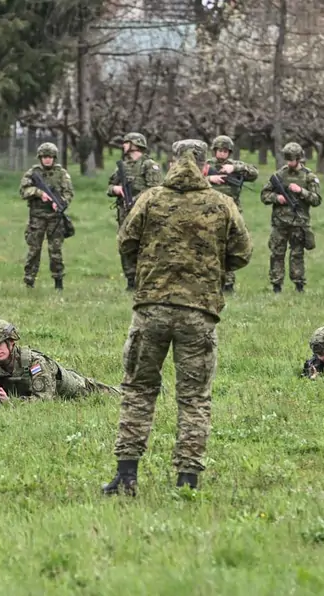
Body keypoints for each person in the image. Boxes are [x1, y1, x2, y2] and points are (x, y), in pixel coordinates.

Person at [102, 139, 252, 495]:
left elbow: (125, 242)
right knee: (194, 397)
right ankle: (187, 480)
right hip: (199, 312)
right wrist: (211, 266)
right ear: (205, 167)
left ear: (172, 163)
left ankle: (126, 476)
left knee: (138, 390)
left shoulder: (150, 199)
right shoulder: (222, 203)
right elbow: (242, 253)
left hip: (151, 309)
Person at [0, 319, 119, 404]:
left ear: (11, 342)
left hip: (80, 389)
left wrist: (11, 403)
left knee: (121, 394)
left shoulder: (35, 362)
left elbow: (43, 400)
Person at [259, 142, 321, 293]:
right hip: (279, 223)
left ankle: (299, 285)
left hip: (299, 223)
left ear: (299, 158)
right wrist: (277, 198)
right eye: (287, 159)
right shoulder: (279, 175)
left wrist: (301, 191)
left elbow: (316, 200)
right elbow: (264, 195)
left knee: (297, 255)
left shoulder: (309, 176)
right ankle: (276, 285)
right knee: (277, 254)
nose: (289, 162)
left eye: (292, 159)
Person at [106, 132, 162, 291]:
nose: (123, 145)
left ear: (134, 144)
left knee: (146, 247)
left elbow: (155, 189)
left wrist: (136, 200)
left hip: (144, 214)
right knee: (125, 245)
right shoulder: (123, 166)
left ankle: (147, 281)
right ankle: (131, 281)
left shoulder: (148, 165)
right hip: (124, 213)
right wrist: (116, 189)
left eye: (126, 142)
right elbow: (109, 187)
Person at [206, 135, 258, 293]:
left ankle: (228, 284)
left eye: (225, 151)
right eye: (219, 150)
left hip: (232, 212)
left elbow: (254, 173)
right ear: (214, 150)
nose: (222, 153)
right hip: (210, 212)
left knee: (230, 247)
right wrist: (210, 179)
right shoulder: (206, 165)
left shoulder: (235, 165)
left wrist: (234, 168)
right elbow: (191, 177)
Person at [19, 142, 74, 290]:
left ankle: (58, 281)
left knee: (55, 250)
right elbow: (23, 191)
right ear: (40, 158)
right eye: (44, 157)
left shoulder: (61, 174)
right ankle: (29, 280)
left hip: (55, 218)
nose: (47, 159)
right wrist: (39, 193)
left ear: (54, 158)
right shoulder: (33, 173)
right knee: (34, 250)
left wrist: (61, 203)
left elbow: (69, 193)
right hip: (37, 217)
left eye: (50, 157)